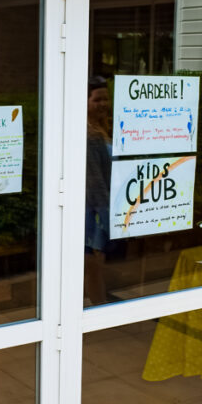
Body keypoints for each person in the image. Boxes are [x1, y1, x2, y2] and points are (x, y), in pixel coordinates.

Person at [84, 77, 112, 305]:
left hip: (103, 204)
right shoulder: (89, 135)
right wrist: (105, 215)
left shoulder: (105, 127)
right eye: (97, 99)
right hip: (94, 207)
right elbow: (94, 181)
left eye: (106, 98)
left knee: (94, 264)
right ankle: (98, 310)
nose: (103, 103)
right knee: (94, 264)